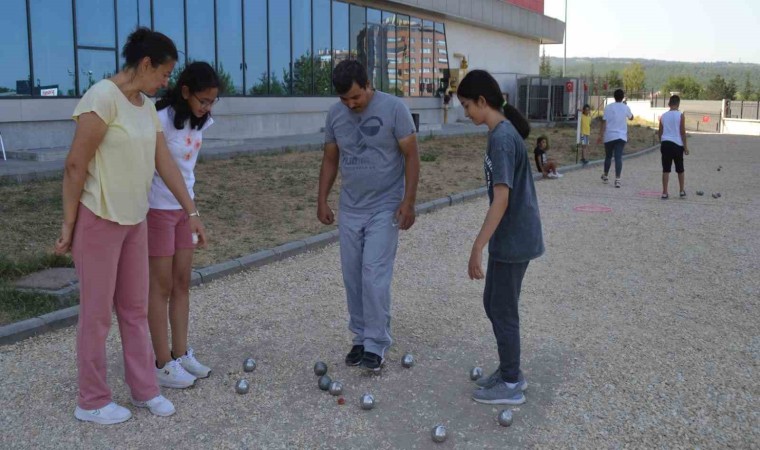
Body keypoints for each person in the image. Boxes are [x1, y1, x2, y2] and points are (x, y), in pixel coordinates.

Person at [54, 27, 207, 425]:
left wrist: (191, 211)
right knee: (96, 315)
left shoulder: (144, 107)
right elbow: (75, 165)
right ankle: (91, 400)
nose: (166, 82)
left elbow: (164, 163)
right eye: (164, 73)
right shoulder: (101, 97)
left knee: (135, 310)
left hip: (135, 221)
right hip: (99, 219)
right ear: (145, 64)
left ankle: (145, 389)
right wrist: (69, 223)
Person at [317, 60, 420, 373]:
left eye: (355, 97)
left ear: (367, 84)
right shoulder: (335, 115)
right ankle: (360, 337)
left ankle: (376, 343)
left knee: (373, 275)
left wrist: (408, 201)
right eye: (344, 99)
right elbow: (330, 158)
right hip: (351, 207)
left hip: (385, 206)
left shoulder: (394, 109)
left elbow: (411, 156)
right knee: (353, 277)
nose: (350, 104)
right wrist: (322, 200)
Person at [456, 70, 544, 405]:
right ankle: (509, 370)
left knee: (503, 309)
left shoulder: (502, 138)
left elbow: (502, 198)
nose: (466, 113)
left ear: (482, 101)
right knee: (493, 303)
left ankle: (511, 384)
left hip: (515, 238)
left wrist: (477, 246)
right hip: (508, 237)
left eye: (467, 106)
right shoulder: (499, 133)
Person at [147, 62, 219, 388]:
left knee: (181, 283)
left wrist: (191, 210)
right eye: (203, 101)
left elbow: (186, 171)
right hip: (158, 210)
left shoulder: (200, 120)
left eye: (213, 102)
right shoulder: (160, 118)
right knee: (160, 287)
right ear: (186, 91)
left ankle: (180, 353)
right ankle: (162, 362)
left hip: (185, 210)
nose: (207, 108)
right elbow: (161, 167)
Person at [597, 89, 633, 188]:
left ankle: (605, 175)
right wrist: (625, 106)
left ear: (614, 97)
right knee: (618, 157)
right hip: (621, 136)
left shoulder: (608, 107)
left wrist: (600, 135)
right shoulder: (625, 107)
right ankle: (617, 179)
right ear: (623, 97)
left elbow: (604, 122)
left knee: (608, 156)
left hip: (609, 135)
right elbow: (631, 117)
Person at [657, 95, 689, 199]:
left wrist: (661, 142)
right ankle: (681, 190)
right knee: (680, 169)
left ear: (669, 104)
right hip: (677, 144)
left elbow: (660, 132)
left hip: (666, 143)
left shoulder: (663, 116)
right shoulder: (680, 116)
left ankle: (665, 192)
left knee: (666, 169)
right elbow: (682, 132)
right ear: (678, 104)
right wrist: (685, 147)